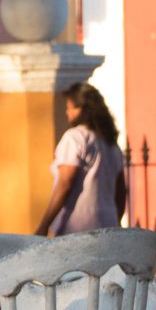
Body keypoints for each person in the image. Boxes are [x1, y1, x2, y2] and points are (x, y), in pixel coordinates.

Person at [34, 82, 126, 236]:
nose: (67, 112)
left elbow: (65, 183)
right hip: (108, 226)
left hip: (78, 228)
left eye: (70, 107)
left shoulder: (75, 137)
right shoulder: (111, 144)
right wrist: (116, 221)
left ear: (81, 109)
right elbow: (121, 191)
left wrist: (44, 225)